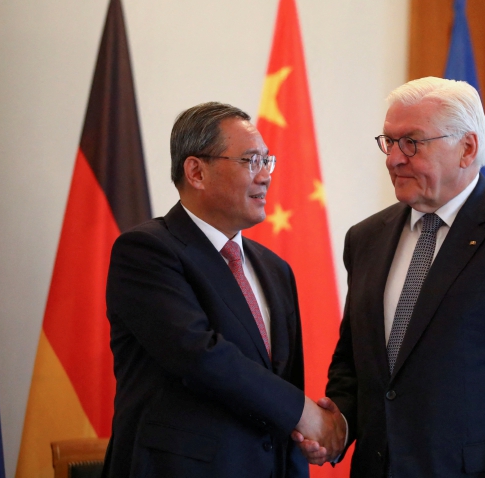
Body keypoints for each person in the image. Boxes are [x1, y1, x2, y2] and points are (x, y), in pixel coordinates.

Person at [301, 77, 485, 476]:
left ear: (467, 148)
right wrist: (338, 426)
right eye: (389, 141)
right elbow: (356, 364)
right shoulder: (366, 238)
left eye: (412, 142)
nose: (394, 158)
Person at [102, 102, 344, 478]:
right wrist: (305, 413)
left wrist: (302, 441)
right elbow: (201, 357)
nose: (265, 176)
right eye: (251, 161)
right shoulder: (147, 251)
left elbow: (280, 386)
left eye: (268, 161)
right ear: (196, 171)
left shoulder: (275, 270)